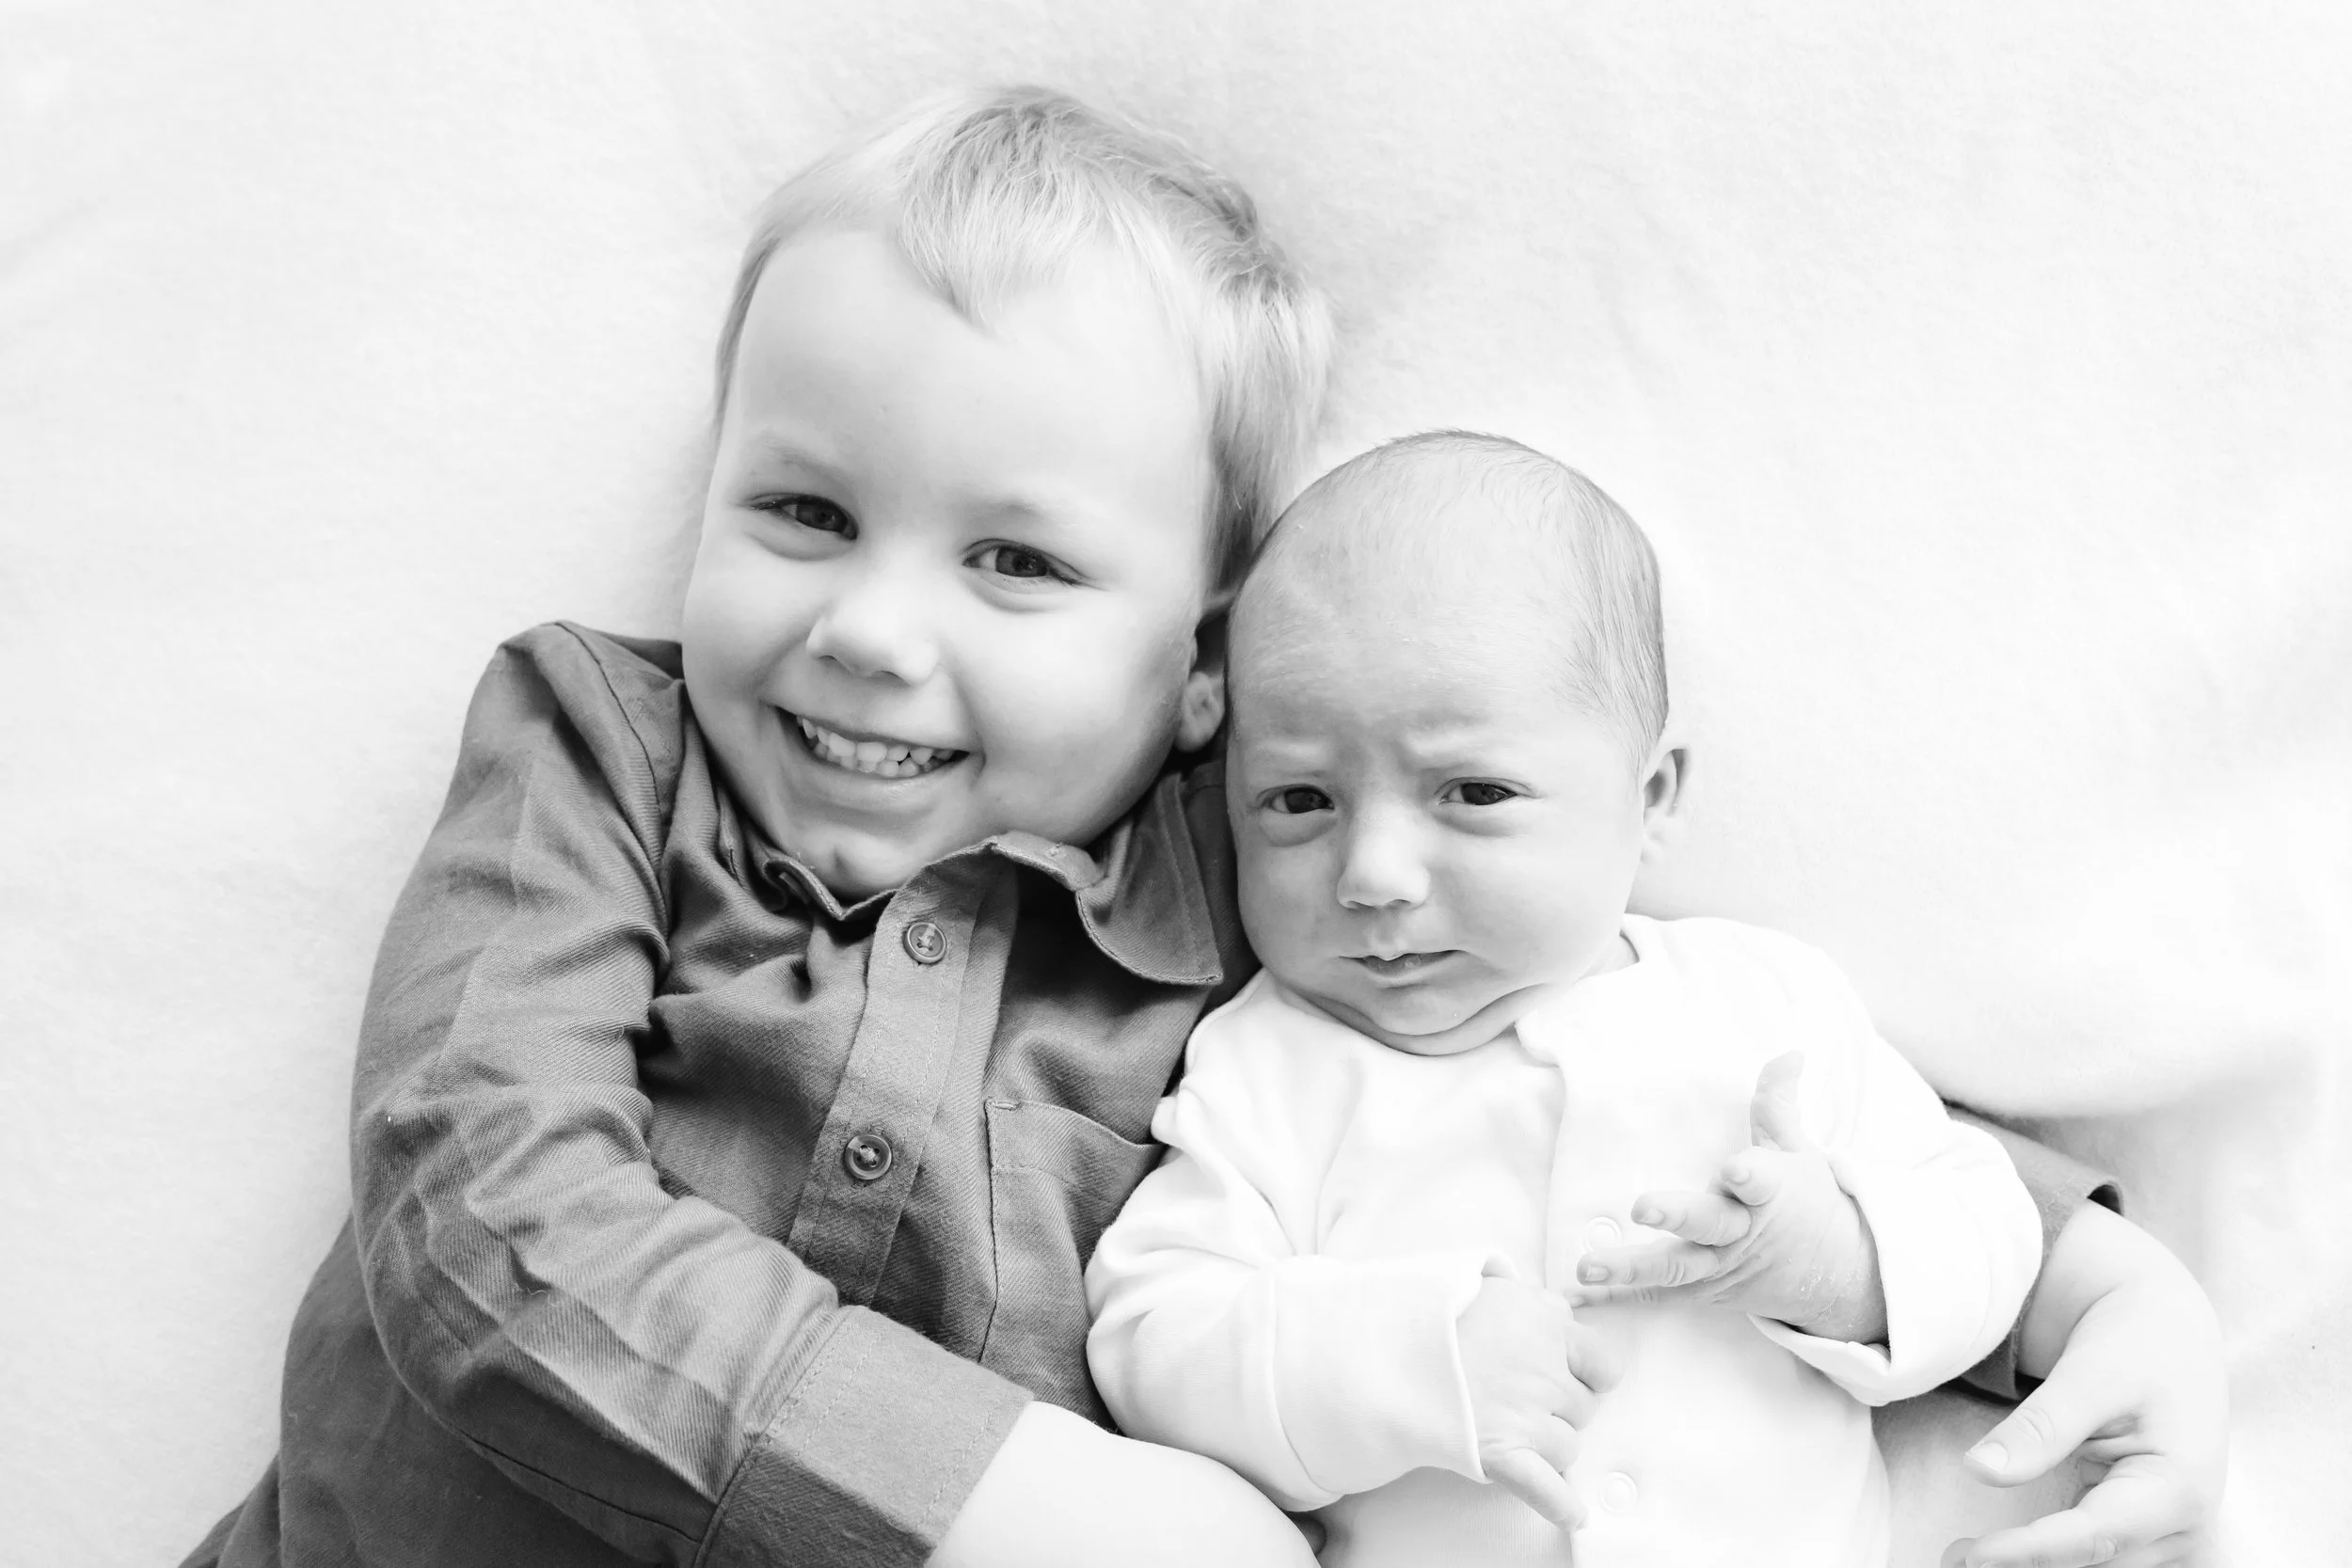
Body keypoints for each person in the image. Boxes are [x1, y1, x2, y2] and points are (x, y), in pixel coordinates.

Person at [183, 90, 2221, 1568]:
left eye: (1013, 559)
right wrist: (1021, 1493)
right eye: (801, 509)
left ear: (1203, 671)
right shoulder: (602, 749)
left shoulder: (1274, 908)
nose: (870, 630)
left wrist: (2092, 1283)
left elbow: (1631, 1064)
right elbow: (480, 1205)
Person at [1086, 433, 2226, 1568]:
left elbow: (1989, 1231)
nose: (1372, 871)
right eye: (1294, 799)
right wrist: (1401, 1358)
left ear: (1653, 796)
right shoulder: (1264, 1069)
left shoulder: (1763, 1005)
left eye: (1473, 791)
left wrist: (1847, 1262)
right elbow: (1150, 1337)